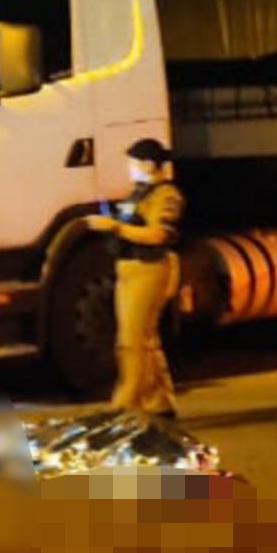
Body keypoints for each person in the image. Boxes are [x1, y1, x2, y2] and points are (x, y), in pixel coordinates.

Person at [87, 138, 184, 418]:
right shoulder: (139, 193)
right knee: (143, 338)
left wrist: (116, 227)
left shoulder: (166, 196)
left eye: (133, 162)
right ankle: (159, 401)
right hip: (128, 269)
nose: (130, 168)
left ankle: (125, 403)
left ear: (150, 164)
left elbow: (158, 234)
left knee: (132, 340)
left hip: (148, 268)